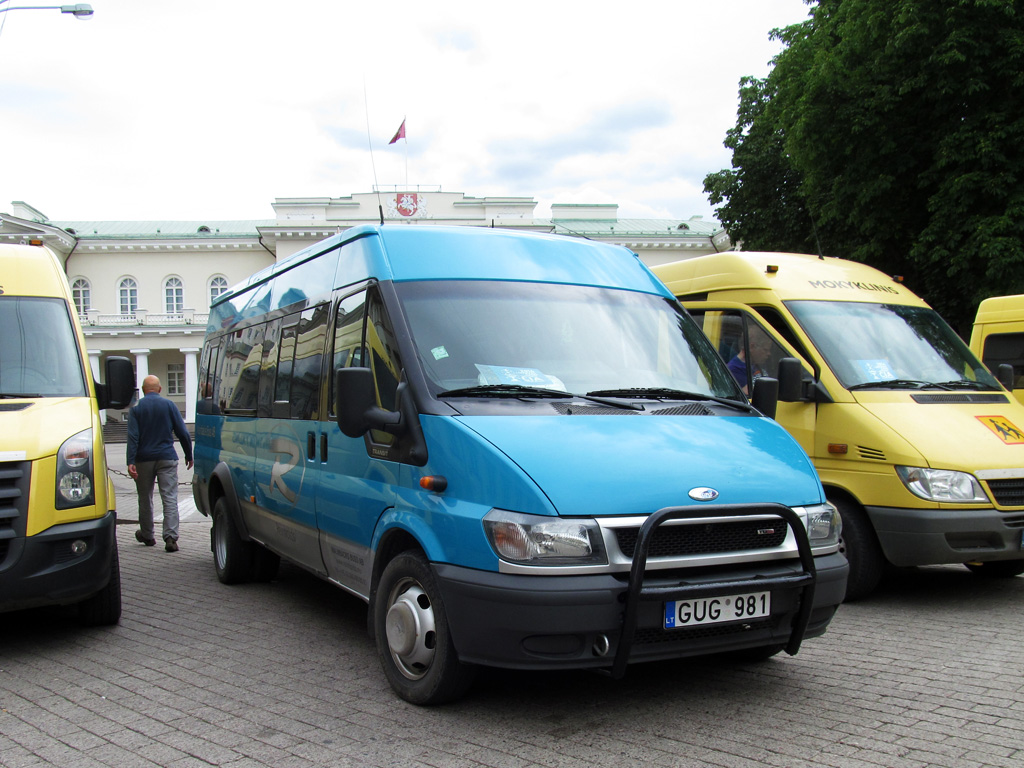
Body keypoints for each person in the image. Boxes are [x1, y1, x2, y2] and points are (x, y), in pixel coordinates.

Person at [127, 375, 194, 552]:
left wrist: (130, 461)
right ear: (160, 389)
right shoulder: (169, 405)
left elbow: (133, 437)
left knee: (145, 497)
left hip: (143, 459)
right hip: (167, 457)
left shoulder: (136, 409)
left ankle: (148, 535)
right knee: (170, 497)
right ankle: (171, 537)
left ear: (142, 390)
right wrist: (189, 454)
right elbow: (182, 432)